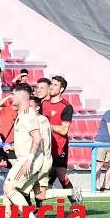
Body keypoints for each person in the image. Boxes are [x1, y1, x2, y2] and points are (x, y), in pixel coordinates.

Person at [1, 84, 48, 218]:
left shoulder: (28, 114)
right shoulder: (23, 114)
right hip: (27, 158)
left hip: (29, 159)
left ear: (21, 96)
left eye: (13, 94)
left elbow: (37, 137)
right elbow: (29, 139)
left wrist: (28, 159)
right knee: (13, 190)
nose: (11, 97)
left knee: (9, 188)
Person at [42, 75, 81, 203]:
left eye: (55, 85)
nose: (51, 87)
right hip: (45, 147)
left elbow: (64, 130)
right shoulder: (44, 103)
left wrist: (47, 125)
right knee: (42, 179)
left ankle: (76, 204)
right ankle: (35, 210)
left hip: (59, 147)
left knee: (61, 175)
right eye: (51, 84)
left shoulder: (66, 106)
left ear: (62, 89)